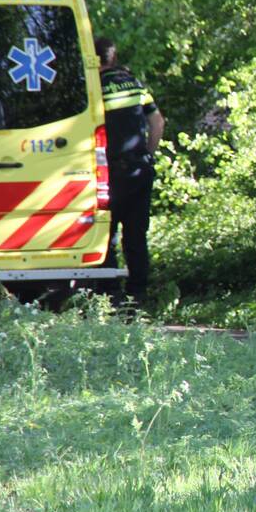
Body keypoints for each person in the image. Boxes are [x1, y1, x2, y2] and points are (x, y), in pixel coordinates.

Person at [96, 37, 165, 309]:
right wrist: (149, 153)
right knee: (136, 237)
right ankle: (138, 296)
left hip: (108, 172)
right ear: (112, 57)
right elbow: (157, 121)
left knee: (105, 235)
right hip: (139, 168)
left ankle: (110, 295)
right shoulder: (135, 84)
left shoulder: (95, 88)